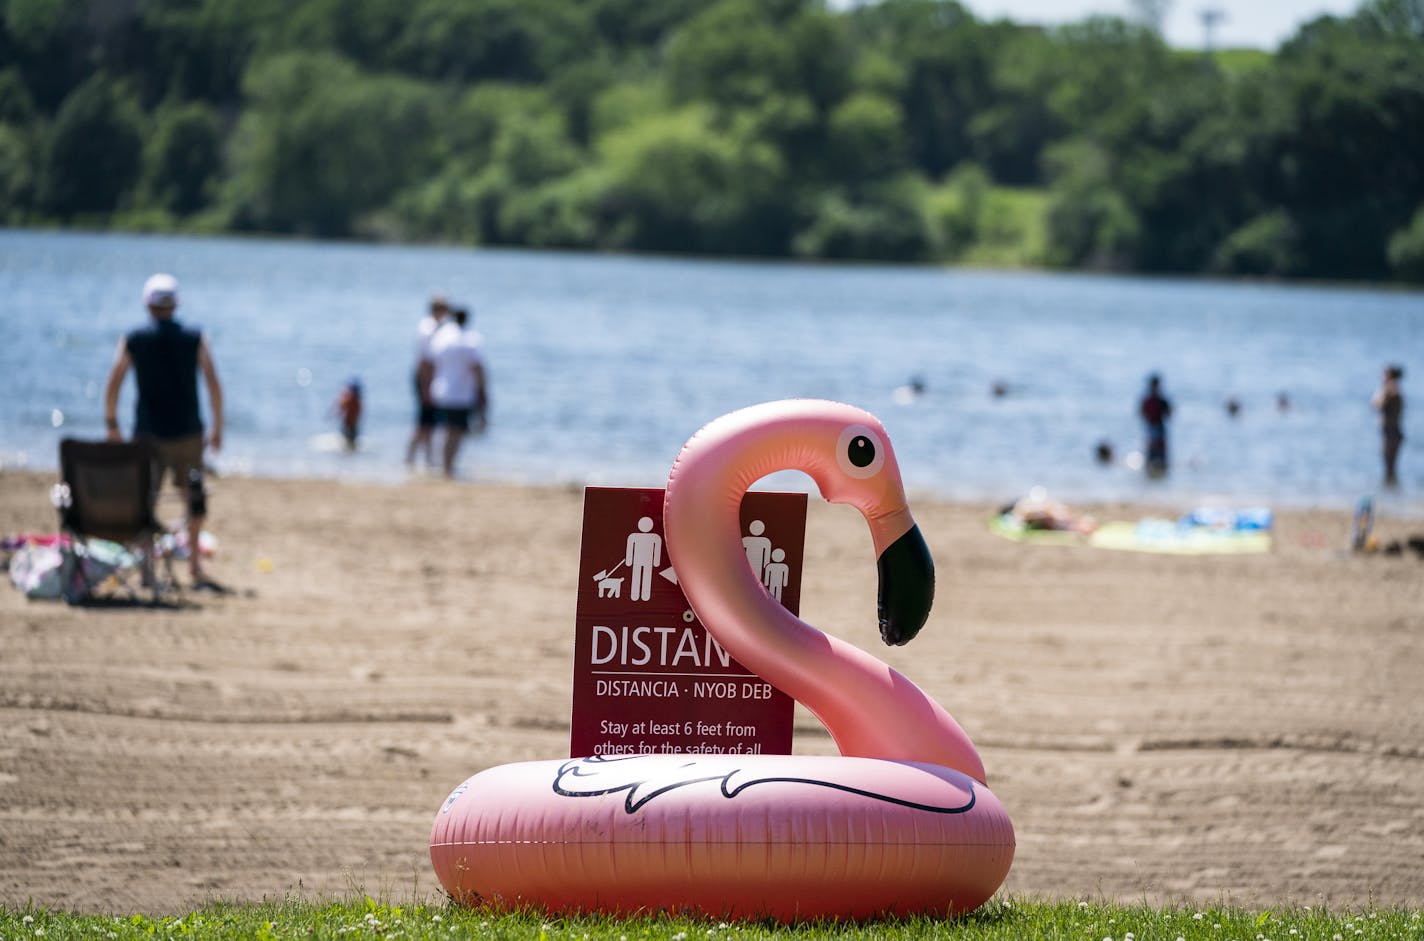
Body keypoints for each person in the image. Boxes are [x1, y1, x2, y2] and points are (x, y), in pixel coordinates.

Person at [103, 273, 224, 589]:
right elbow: (213, 383)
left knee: (146, 502)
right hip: (189, 436)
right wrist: (218, 427)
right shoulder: (195, 337)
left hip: (148, 438)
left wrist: (112, 423)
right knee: (193, 498)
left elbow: (114, 382)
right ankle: (195, 568)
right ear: (176, 304)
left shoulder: (134, 338)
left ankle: (145, 571)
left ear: (147, 304)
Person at [426, 306, 489, 477]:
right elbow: (478, 368)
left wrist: (426, 387)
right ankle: (448, 467)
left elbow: (430, 364)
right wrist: (483, 392)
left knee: (447, 430)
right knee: (457, 431)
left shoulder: (442, 337)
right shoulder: (470, 340)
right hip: (461, 393)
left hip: (441, 390)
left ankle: (444, 465)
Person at [405, 294, 450, 467]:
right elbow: (424, 362)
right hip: (425, 378)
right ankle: (411, 457)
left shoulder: (439, 327)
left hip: (432, 377)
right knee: (423, 421)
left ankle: (427, 459)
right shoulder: (428, 328)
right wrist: (425, 388)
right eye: (444, 309)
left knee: (430, 423)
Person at [1372, 364, 1405, 486]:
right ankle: (1391, 493)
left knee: (1389, 468)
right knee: (1390, 467)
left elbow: (1376, 404)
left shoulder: (1390, 389)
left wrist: (1380, 392)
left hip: (1391, 433)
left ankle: (1390, 491)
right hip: (1392, 432)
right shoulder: (1395, 389)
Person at [1139, 373, 1173, 477]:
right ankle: (1159, 476)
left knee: (1152, 455)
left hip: (1152, 428)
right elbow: (1169, 414)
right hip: (1158, 427)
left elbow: (1141, 413)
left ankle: (1153, 476)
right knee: (1159, 456)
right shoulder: (1161, 400)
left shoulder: (1148, 400)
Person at [334, 377, 362, 451]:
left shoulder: (352, 400)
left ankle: (349, 452)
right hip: (352, 423)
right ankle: (351, 452)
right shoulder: (357, 400)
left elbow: (342, 407)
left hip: (350, 423)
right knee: (350, 440)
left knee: (348, 440)